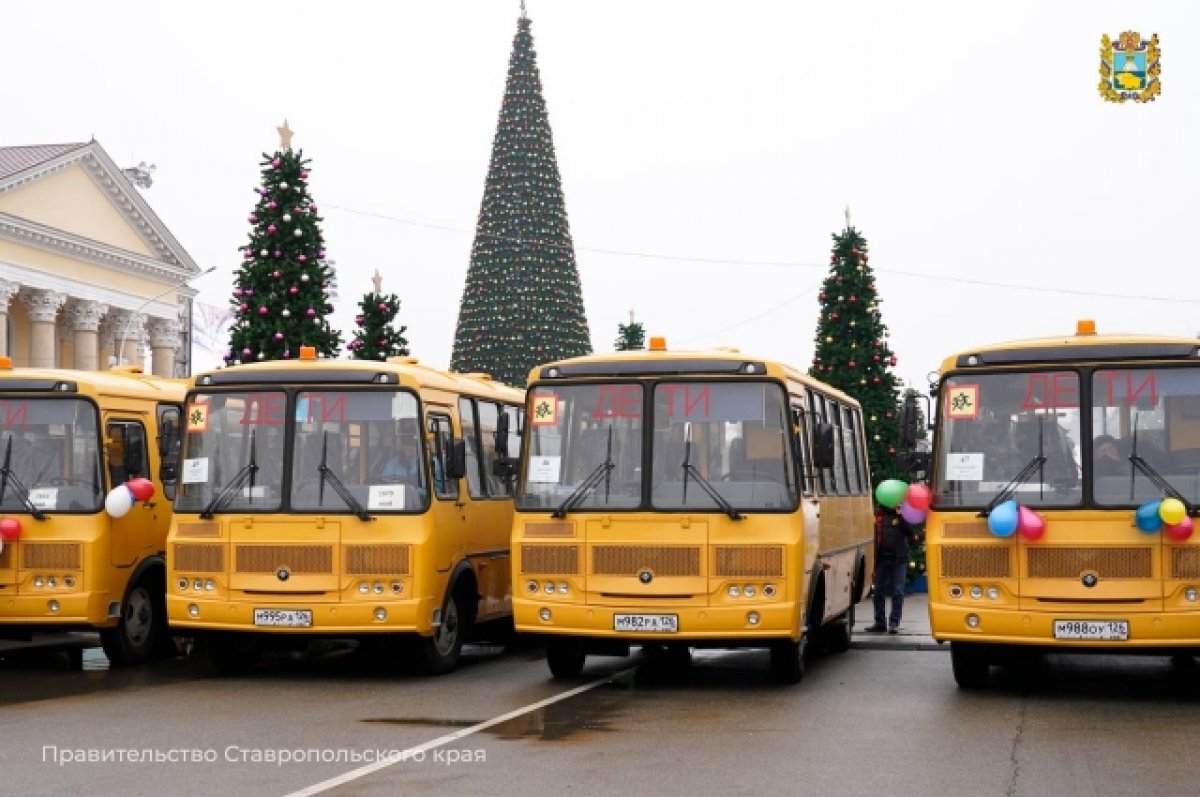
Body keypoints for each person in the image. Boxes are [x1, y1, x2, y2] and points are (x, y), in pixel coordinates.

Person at [866, 505, 914, 634]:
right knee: (878, 591)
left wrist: (901, 515)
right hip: (881, 558)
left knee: (898, 591)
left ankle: (894, 623)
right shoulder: (878, 514)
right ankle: (880, 623)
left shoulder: (902, 514)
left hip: (899, 559)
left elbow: (910, 532)